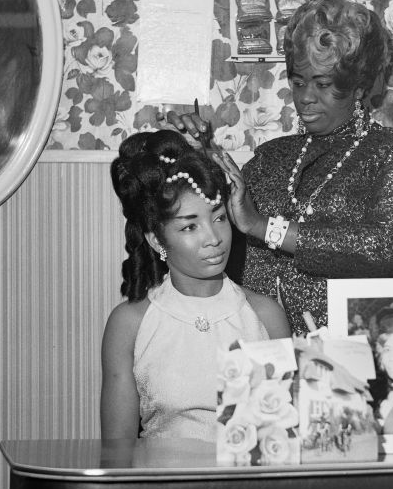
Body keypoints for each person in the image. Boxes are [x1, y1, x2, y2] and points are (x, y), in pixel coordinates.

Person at [169, 0, 393, 333]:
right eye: (298, 82)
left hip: (348, 352)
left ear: (358, 87)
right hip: (256, 351)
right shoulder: (271, 157)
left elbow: (380, 249)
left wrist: (265, 227)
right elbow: (217, 226)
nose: (306, 97)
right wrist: (197, 158)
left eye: (323, 84)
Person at [100, 130, 290, 441]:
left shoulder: (265, 316)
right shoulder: (130, 324)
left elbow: (279, 442)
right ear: (154, 238)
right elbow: (117, 452)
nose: (213, 238)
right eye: (190, 226)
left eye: (218, 218)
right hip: (159, 487)